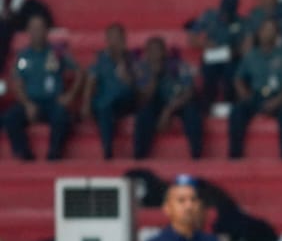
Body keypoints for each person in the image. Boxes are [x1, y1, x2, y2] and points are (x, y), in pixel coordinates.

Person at [4, 15, 78, 162]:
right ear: (28, 32)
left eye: (40, 28)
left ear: (46, 31)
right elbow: (17, 82)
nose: (37, 32)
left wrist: (70, 95)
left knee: (62, 116)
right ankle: (24, 154)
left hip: (53, 102)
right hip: (31, 102)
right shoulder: (23, 57)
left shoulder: (57, 53)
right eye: (33, 29)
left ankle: (54, 154)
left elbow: (80, 72)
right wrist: (26, 104)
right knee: (11, 118)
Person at [228, 18, 282, 159]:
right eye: (265, 30)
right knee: (237, 111)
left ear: (277, 35)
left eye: (271, 31)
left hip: (277, 97)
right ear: (259, 33)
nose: (267, 34)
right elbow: (238, 78)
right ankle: (235, 156)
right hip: (255, 96)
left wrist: (277, 101)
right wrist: (243, 93)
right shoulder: (251, 56)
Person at [132, 37, 204, 160]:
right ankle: (140, 157)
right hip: (154, 103)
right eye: (151, 51)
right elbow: (144, 97)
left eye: (157, 50)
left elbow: (189, 92)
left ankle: (196, 156)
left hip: (177, 102)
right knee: (144, 114)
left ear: (164, 52)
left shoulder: (178, 65)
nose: (155, 55)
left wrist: (168, 111)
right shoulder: (141, 69)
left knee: (193, 113)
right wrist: (154, 76)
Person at [83, 23, 138, 160]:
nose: (115, 42)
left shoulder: (132, 59)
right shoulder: (100, 59)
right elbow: (91, 81)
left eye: (118, 38)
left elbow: (140, 86)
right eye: (111, 38)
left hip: (125, 101)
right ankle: (107, 150)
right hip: (105, 103)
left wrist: (127, 75)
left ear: (124, 40)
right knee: (103, 107)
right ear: (107, 40)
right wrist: (86, 103)